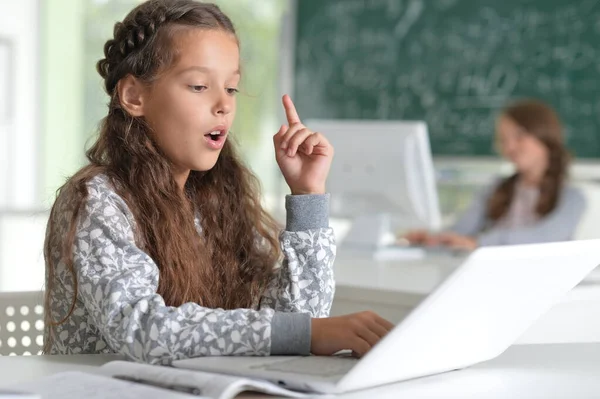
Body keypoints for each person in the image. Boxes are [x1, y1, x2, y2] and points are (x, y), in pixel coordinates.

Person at [43, 0, 394, 364]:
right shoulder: (97, 200)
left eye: (231, 88)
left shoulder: (211, 201)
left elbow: (299, 316)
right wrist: (305, 333)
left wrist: (307, 196)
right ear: (134, 96)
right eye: (198, 86)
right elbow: (141, 330)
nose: (223, 105)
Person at [405, 99, 586, 250]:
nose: (510, 147)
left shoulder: (572, 197)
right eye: (503, 140)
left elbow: (546, 238)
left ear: (544, 135)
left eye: (519, 136)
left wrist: (480, 243)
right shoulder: (497, 188)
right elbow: (463, 228)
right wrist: (434, 238)